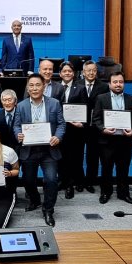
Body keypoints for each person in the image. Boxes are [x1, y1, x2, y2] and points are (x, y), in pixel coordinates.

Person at [13, 74, 65, 227]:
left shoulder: (54, 104)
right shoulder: (21, 106)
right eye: (31, 85)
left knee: (51, 180)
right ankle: (35, 199)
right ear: (27, 88)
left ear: (44, 86)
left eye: (37, 85)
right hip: (29, 149)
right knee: (28, 180)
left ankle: (48, 209)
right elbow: (16, 126)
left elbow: (62, 124)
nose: (34, 88)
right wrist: (18, 135)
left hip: (49, 149)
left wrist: (58, 136)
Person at [93, 71, 132, 205]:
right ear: (109, 84)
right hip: (106, 141)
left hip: (125, 140)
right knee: (106, 168)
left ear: (124, 83)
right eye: (115, 82)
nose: (118, 84)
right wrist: (104, 129)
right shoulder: (101, 98)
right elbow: (96, 119)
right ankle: (105, 192)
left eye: (120, 82)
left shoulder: (131, 99)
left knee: (123, 168)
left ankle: (123, 193)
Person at [54, 61, 87, 199]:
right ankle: (62, 180)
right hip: (59, 129)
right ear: (60, 73)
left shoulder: (80, 88)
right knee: (60, 157)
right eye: (64, 71)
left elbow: (85, 107)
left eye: (70, 71)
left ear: (74, 73)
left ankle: (70, 186)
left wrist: (82, 123)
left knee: (73, 158)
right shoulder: (55, 87)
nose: (67, 73)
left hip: (75, 130)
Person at [79, 60, 109, 193]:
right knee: (78, 156)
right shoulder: (77, 84)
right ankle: (79, 181)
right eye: (88, 70)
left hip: (95, 127)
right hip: (79, 126)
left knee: (93, 156)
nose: (91, 73)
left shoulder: (103, 86)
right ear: (83, 72)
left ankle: (90, 181)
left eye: (94, 70)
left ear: (96, 72)